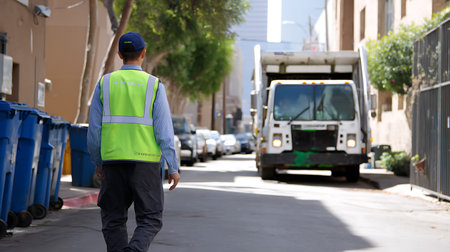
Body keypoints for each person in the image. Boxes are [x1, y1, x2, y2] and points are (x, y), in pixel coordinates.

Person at [87, 32, 180, 252]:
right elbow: (164, 131)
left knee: (113, 219)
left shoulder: (105, 83)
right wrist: (173, 167)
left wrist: (99, 163)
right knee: (150, 219)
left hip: (113, 162)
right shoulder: (154, 85)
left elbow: (94, 133)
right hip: (145, 164)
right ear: (143, 54)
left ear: (120, 54)